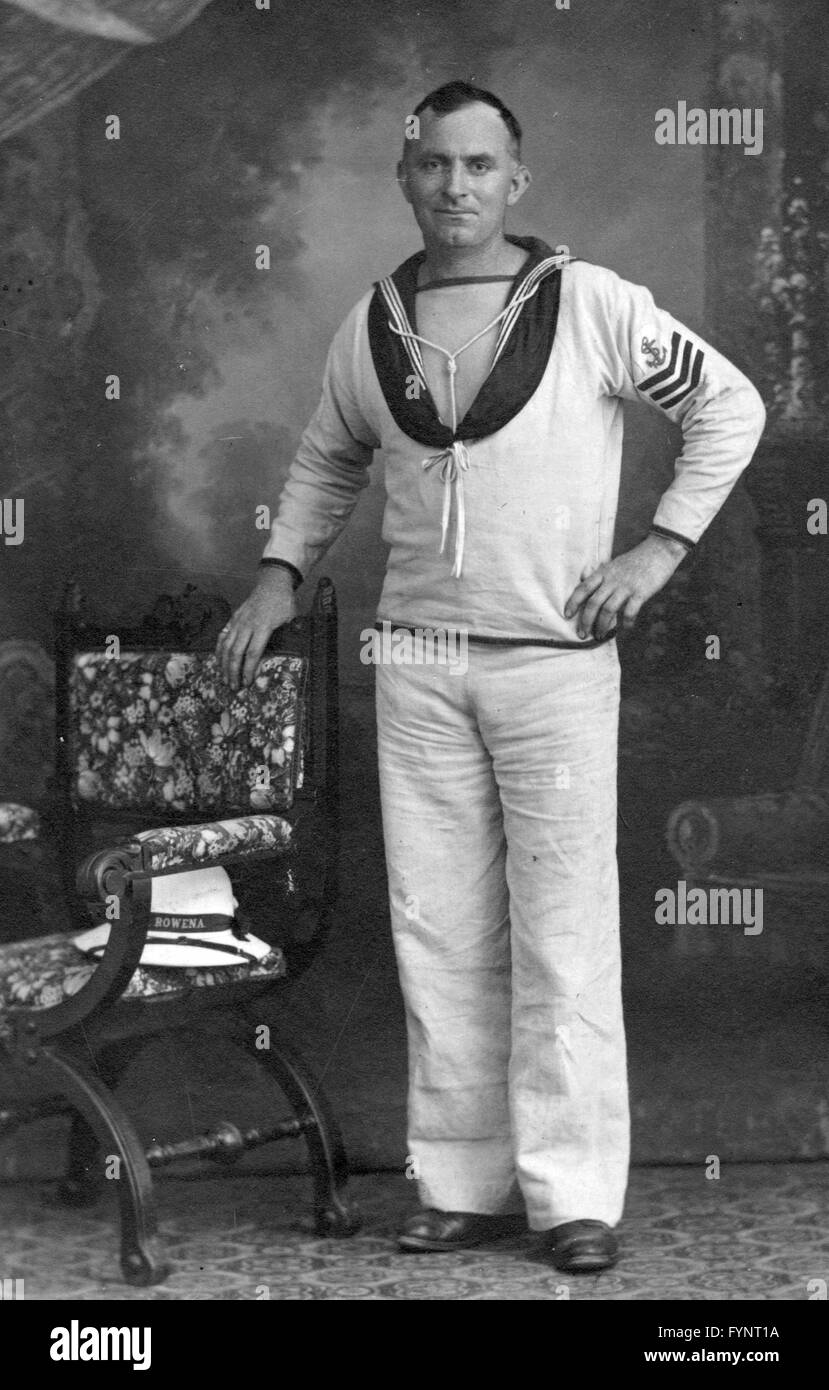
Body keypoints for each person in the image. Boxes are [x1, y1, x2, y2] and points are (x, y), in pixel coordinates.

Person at [216, 80, 765, 1272]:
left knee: (561, 935)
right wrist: (276, 575)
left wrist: (657, 548)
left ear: (515, 181)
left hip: (552, 666)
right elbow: (325, 460)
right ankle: (460, 1186)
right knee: (439, 932)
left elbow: (729, 404)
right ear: (405, 179)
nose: (454, 186)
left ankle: (571, 1198)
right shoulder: (371, 327)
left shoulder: (591, 305)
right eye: (433, 166)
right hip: (417, 669)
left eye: (479, 166)